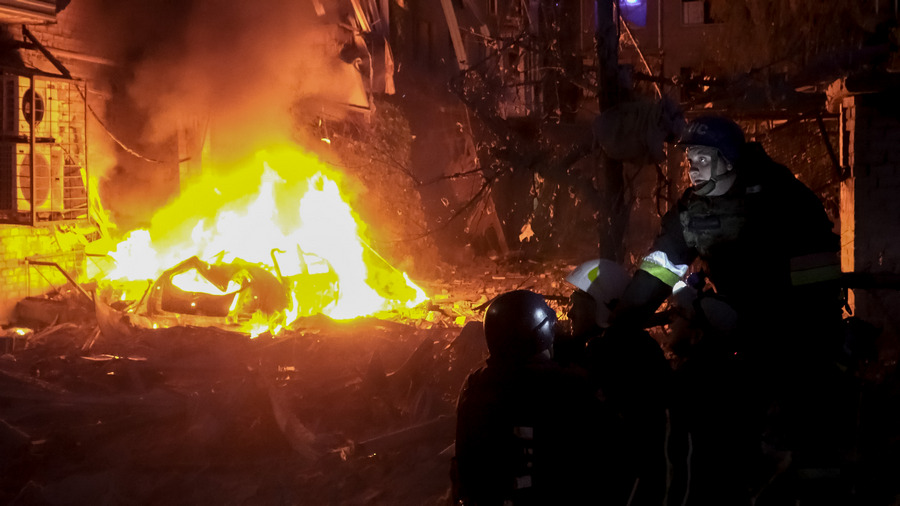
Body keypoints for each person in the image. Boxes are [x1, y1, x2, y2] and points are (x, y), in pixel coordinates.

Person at [608, 115, 848, 504]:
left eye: (702, 159)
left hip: (794, 336)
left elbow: (817, 288)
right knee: (694, 403)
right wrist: (622, 321)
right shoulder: (690, 211)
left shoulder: (785, 200)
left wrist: (785, 332)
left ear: (728, 159)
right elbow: (662, 265)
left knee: (803, 430)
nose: (692, 169)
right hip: (728, 332)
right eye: (690, 160)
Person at [453, 289, 628, 505]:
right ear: (541, 332)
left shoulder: (476, 385)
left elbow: (464, 466)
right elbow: (611, 452)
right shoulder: (569, 387)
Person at [564, 259, 673, 506]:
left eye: (576, 304)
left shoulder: (611, 353)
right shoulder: (635, 345)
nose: (569, 313)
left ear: (601, 307)